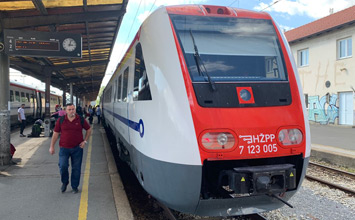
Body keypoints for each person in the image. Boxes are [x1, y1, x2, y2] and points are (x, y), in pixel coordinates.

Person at [49, 103, 92, 194]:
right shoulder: (61, 120)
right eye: (69, 109)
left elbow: (88, 129)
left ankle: (74, 186)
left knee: (76, 168)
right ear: (65, 111)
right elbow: (55, 134)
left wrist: (85, 141)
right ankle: (65, 182)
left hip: (77, 148)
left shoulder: (80, 119)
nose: (71, 111)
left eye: (73, 109)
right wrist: (52, 146)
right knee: (63, 166)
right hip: (64, 148)